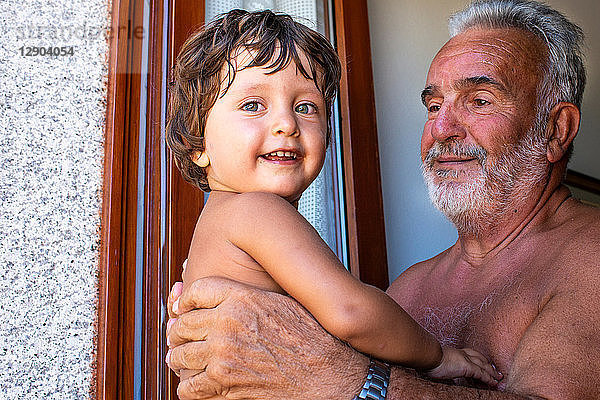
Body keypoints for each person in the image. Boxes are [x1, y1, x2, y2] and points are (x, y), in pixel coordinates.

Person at [166, 1, 600, 399]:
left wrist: (343, 377)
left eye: (479, 100)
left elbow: (318, 352)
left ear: (557, 128)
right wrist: (439, 356)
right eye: (433, 107)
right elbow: (350, 313)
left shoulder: (590, 257)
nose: (442, 129)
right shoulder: (407, 289)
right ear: (198, 143)